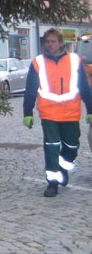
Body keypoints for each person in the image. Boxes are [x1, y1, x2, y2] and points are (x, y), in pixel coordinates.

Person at [22, 28, 92, 197]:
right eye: (47, 41)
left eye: (53, 41)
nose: (50, 44)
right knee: (51, 146)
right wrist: (27, 112)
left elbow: (84, 86)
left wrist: (90, 109)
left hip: (70, 112)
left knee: (72, 146)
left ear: (61, 43)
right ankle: (52, 182)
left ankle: (63, 167)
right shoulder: (38, 62)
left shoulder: (75, 61)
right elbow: (30, 89)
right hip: (49, 112)